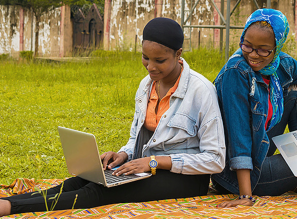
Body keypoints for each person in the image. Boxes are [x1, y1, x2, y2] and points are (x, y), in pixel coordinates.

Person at [0, 17, 225, 216]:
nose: (150, 67)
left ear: (178, 54)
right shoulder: (146, 86)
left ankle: (11, 209)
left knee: (98, 191)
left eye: (159, 60)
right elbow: (136, 137)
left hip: (186, 180)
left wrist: (154, 162)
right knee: (80, 180)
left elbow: (215, 159)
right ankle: (7, 202)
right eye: (145, 58)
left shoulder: (201, 91)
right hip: (144, 169)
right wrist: (123, 154)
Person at [211, 9, 297, 208]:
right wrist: (245, 196)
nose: (253, 55)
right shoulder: (237, 73)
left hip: (259, 146)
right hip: (238, 174)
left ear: (276, 48)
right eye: (247, 45)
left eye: (263, 49)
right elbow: (239, 135)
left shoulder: (280, 63)